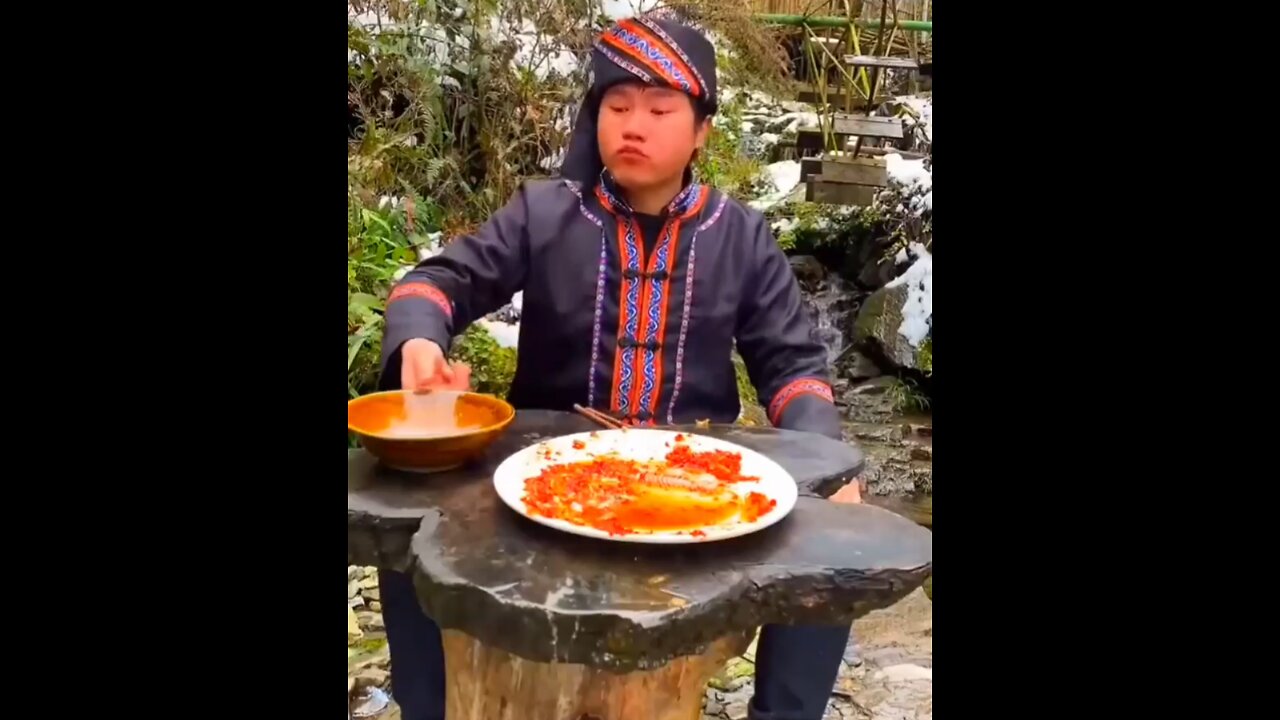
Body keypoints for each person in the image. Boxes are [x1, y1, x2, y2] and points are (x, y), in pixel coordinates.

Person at [377, 13, 862, 720]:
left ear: (701, 131)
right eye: (617, 105)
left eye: (661, 109)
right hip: (542, 472)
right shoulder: (543, 213)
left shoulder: (744, 238)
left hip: (697, 483)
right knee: (407, 516)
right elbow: (439, 283)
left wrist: (830, 461)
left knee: (837, 540)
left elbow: (791, 367)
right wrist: (421, 342)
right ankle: (429, 707)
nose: (634, 124)